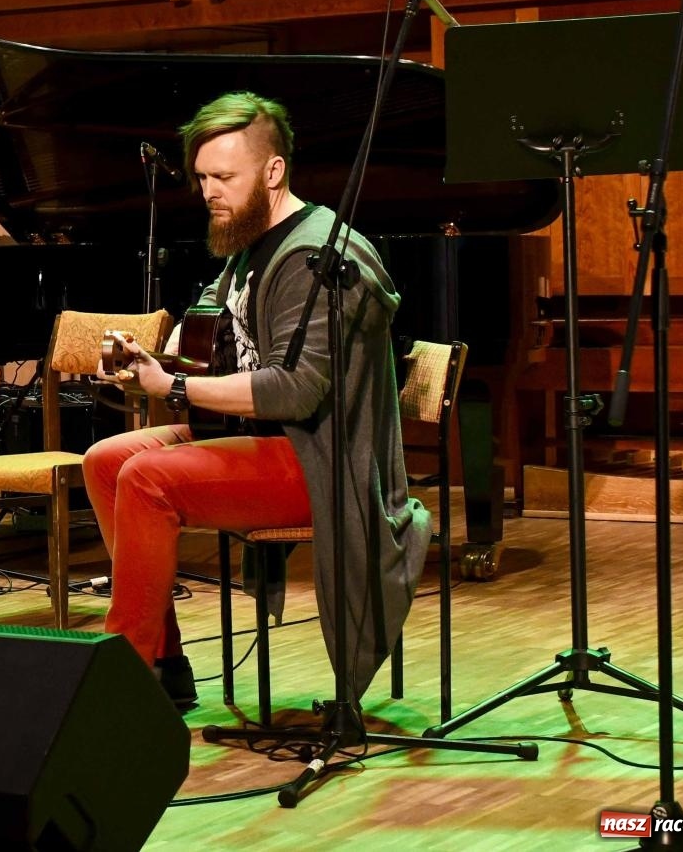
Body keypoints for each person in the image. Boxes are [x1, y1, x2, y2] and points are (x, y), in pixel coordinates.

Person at [83, 91, 428, 709]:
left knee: (146, 479)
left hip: (325, 462)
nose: (210, 191)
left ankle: (121, 681)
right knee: (106, 461)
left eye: (224, 177)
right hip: (268, 442)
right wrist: (150, 365)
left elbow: (294, 389)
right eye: (202, 178)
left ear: (273, 172)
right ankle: (162, 664)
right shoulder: (247, 244)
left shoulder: (315, 256)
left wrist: (176, 387)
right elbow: (219, 355)